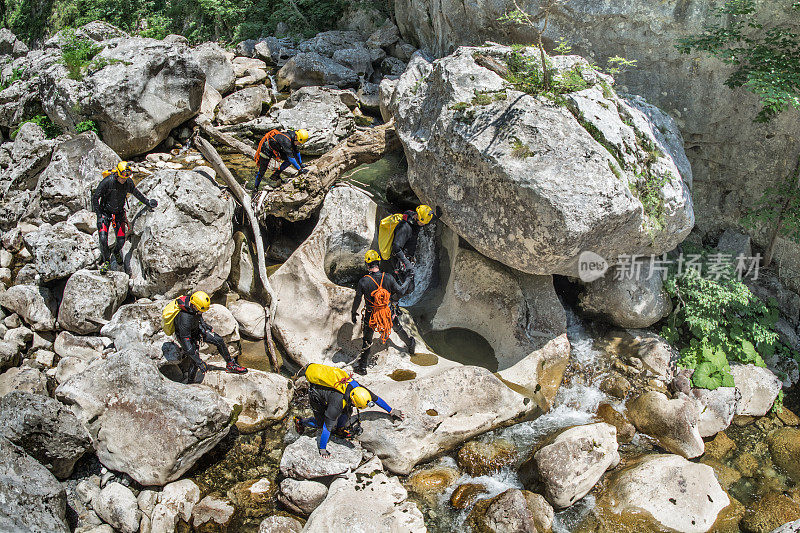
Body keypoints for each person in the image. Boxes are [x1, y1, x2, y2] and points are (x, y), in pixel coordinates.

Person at [293, 363, 404, 457]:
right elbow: (327, 427)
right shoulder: (337, 403)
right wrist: (322, 448)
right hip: (316, 395)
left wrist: (391, 411)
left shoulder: (360, 391)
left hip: (334, 396)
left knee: (347, 411)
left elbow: (376, 399)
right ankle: (300, 421)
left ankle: (339, 429)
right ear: (352, 399)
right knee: (321, 423)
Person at [350, 250, 414, 375]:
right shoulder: (388, 277)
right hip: (387, 312)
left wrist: (353, 312)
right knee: (397, 328)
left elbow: (357, 299)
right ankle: (410, 344)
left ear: (367, 265)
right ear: (378, 262)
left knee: (367, 340)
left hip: (371, 314)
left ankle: (362, 367)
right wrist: (407, 279)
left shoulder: (363, 281)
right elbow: (400, 291)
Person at [91, 161, 157, 274]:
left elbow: (136, 193)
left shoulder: (128, 183)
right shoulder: (108, 182)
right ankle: (106, 261)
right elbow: (95, 198)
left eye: (126, 177)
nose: (123, 180)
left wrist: (147, 202)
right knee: (103, 238)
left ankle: (116, 252)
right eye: (122, 177)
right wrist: (99, 214)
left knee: (121, 240)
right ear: (117, 174)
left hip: (119, 213)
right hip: (105, 213)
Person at [169, 291, 247, 383]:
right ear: (194, 306)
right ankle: (190, 383)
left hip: (196, 329)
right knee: (194, 360)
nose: (202, 312)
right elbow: (187, 346)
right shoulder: (184, 318)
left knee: (218, 340)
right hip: (186, 336)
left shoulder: (194, 305)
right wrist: (200, 362)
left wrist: (204, 325)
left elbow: (198, 315)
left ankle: (231, 365)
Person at [377, 204, 435, 285]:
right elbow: (396, 247)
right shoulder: (405, 227)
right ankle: (391, 296)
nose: (423, 225)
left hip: (406, 258)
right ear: (417, 216)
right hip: (399, 260)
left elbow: (426, 221)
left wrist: (437, 216)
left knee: (407, 285)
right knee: (409, 287)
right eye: (422, 223)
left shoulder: (414, 218)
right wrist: (406, 263)